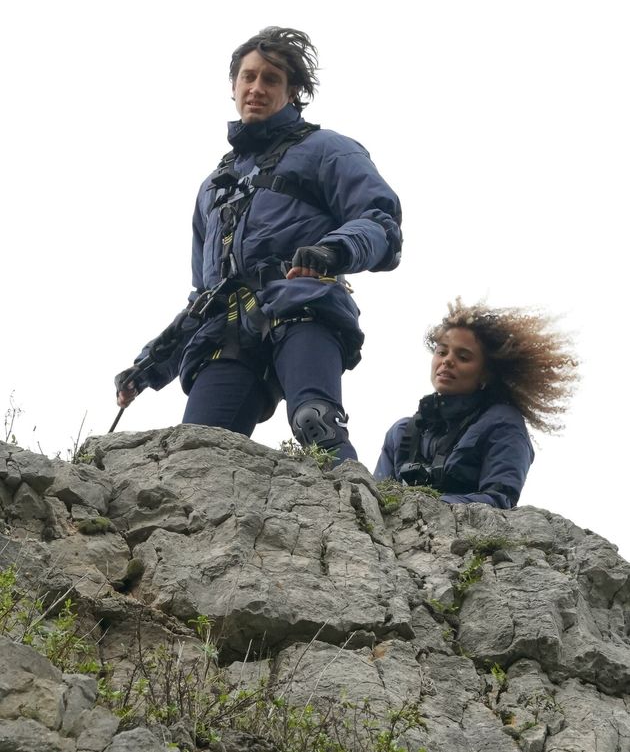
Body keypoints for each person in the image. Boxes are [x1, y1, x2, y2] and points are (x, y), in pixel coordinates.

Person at [115, 27, 402, 463]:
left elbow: (381, 221)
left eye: (271, 79)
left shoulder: (328, 150)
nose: (256, 88)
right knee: (194, 457)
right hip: (225, 332)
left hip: (303, 306)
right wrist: (151, 365)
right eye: (248, 77)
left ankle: (357, 523)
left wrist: (333, 250)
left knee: (316, 422)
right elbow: (204, 292)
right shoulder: (214, 187)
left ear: (293, 92)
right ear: (233, 85)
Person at [374, 299, 579, 508]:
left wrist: (429, 507)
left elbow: (500, 500)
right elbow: (375, 500)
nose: (447, 361)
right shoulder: (400, 432)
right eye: (442, 352)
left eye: (463, 357)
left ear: (486, 374)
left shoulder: (502, 423)